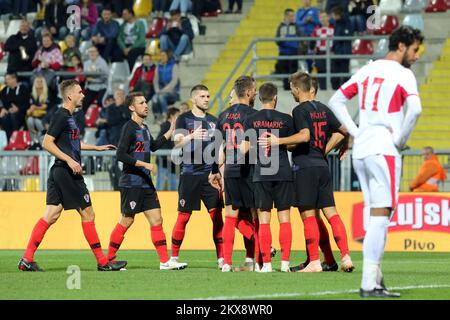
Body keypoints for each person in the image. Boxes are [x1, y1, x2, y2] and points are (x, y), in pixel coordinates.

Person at [328, 26, 424, 297]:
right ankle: (369, 282)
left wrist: (357, 132)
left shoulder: (368, 68)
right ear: (402, 46)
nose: (417, 56)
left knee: (374, 214)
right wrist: (401, 140)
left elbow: (337, 100)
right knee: (383, 214)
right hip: (384, 149)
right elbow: (415, 109)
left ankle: (376, 278)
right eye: (415, 49)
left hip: (362, 149)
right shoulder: (403, 73)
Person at [18, 79, 126, 272]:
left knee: (51, 215)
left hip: (58, 171)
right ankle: (103, 262)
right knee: (88, 213)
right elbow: (47, 142)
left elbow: (73, 143)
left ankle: (27, 259)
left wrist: (96, 147)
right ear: (70, 96)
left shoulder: (69, 117)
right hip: (67, 171)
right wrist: (69, 160)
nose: (83, 95)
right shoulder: (61, 115)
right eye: (79, 92)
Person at [260, 72, 354, 273]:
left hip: (305, 168)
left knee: (308, 215)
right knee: (331, 214)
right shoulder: (324, 109)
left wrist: (278, 141)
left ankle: (314, 261)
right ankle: (345, 256)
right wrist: (344, 144)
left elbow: (304, 136)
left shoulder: (299, 110)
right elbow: (345, 130)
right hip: (322, 167)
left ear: (295, 89)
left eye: (291, 88)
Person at [105, 92, 188, 270]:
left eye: (146, 102)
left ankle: (165, 262)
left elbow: (154, 146)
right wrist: (145, 165)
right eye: (141, 103)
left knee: (157, 219)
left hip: (145, 182)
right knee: (127, 220)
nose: (146, 105)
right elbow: (120, 154)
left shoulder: (144, 128)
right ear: (132, 107)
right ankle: (109, 259)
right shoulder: (129, 127)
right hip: (132, 181)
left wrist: (169, 133)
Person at [239, 82, 294, 273]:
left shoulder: (251, 119)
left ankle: (267, 265)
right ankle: (285, 264)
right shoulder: (286, 119)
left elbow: (243, 150)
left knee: (263, 220)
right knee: (284, 218)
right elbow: (293, 145)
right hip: (283, 172)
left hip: (261, 173)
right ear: (275, 98)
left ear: (260, 98)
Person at [170, 84, 224, 268]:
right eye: (202, 96)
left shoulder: (214, 121)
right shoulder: (184, 119)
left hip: (209, 175)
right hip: (190, 173)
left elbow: (218, 149)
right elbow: (177, 143)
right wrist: (191, 136)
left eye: (208, 96)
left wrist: (217, 171)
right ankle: (174, 258)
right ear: (193, 99)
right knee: (183, 217)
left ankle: (222, 258)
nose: (207, 99)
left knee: (217, 217)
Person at [216, 76, 259, 272]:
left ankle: (226, 262)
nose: (256, 93)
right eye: (255, 90)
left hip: (230, 170)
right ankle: (256, 259)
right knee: (254, 215)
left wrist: (213, 172)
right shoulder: (254, 115)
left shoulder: (223, 115)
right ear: (249, 92)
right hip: (249, 169)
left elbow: (217, 149)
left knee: (230, 216)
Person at [275, 8, 303, 91]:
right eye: (291, 16)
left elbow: (300, 37)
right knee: (284, 71)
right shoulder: (280, 26)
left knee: (294, 72)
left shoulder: (296, 26)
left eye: (293, 15)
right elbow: (277, 40)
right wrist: (290, 41)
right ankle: (286, 88)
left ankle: (293, 89)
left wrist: (286, 41)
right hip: (283, 53)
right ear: (286, 16)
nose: (292, 17)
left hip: (294, 52)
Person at [0, 72, 31, 139]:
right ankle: (9, 139)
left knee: (13, 116)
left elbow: (27, 103)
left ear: (14, 79)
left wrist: (18, 108)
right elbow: (2, 102)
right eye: (6, 79)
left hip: (21, 112)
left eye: (8, 79)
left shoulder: (23, 89)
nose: (6, 81)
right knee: (4, 118)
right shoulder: (4, 90)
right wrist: (3, 108)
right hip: (8, 112)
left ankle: (16, 139)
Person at [152, 50, 180, 123]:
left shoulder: (174, 66)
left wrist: (163, 90)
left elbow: (174, 81)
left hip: (173, 92)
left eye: (164, 55)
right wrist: (157, 90)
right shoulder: (159, 66)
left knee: (161, 97)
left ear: (168, 56)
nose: (162, 57)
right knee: (154, 98)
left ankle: (165, 115)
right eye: (161, 55)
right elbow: (155, 80)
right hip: (160, 91)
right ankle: (157, 116)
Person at [329, 6, 354, 90]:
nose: (332, 17)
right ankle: (335, 92)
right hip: (337, 52)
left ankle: (345, 93)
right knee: (334, 76)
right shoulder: (335, 23)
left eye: (333, 15)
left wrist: (333, 46)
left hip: (344, 52)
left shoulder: (347, 23)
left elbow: (345, 36)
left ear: (337, 15)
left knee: (344, 75)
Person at [156, 107, 180, 191]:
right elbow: (159, 141)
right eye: (178, 115)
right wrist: (166, 155)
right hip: (164, 160)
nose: (179, 117)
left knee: (173, 183)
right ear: (172, 116)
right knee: (161, 184)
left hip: (171, 161)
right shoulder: (166, 126)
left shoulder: (176, 127)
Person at [26, 75, 52, 148]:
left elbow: (45, 106)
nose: (39, 83)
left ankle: (43, 141)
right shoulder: (32, 94)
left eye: (41, 82)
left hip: (44, 117)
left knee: (37, 122)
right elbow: (30, 107)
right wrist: (32, 109)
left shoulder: (47, 93)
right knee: (30, 120)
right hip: (34, 115)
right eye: (37, 81)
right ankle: (34, 141)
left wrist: (35, 107)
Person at [311, 11, 334, 90]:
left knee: (333, 75)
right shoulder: (316, 29)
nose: (323, 19)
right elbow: (312, 42)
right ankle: (323, 91)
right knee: (321, 74)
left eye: (324, 17)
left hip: (331, 54)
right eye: (321, 17)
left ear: (328, 17)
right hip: (319, 54)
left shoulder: (333, 28)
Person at [82, 46, 109, 112]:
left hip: (101, 86)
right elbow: (85, 76)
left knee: (100, 102)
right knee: (84, 103)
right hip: (91, 87)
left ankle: (100, 118)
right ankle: (83, 120)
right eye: (90, 52)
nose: (92, 53)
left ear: (97, 53)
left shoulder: (103, 62)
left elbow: (106, 76)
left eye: (94, 51)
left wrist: (93, 79)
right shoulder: (86, 63)